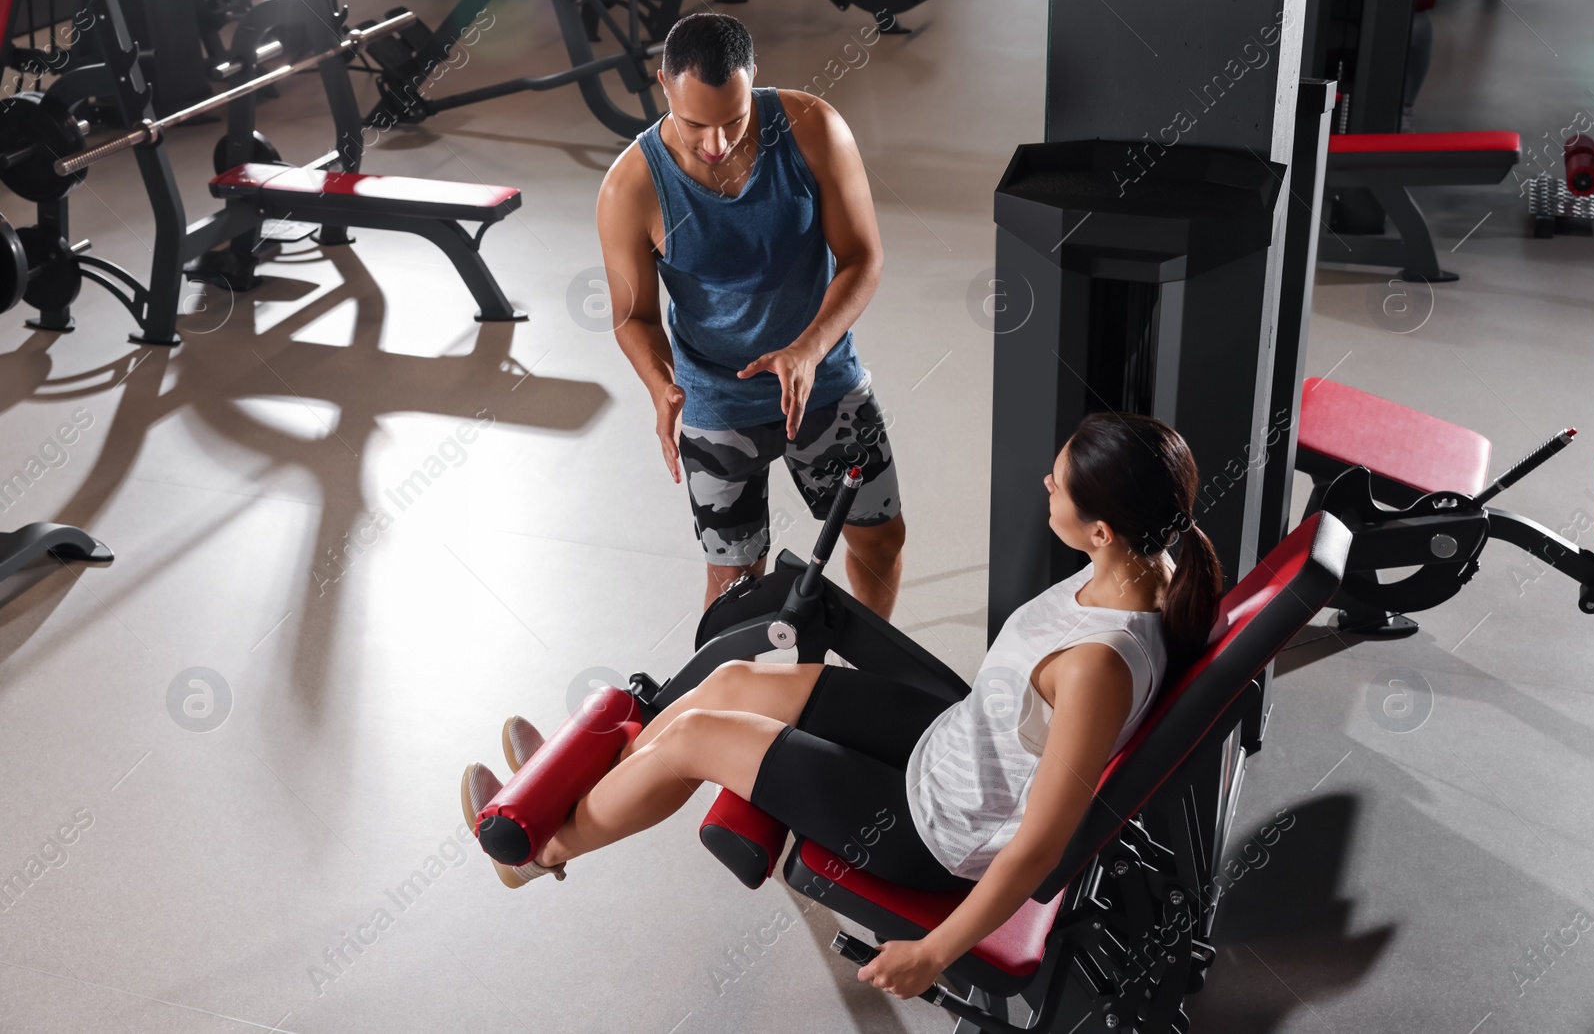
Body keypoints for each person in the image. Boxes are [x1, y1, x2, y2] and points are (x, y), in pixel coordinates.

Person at [459, 412, 1224, 1001]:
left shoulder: (1099, 667)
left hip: (931, 831)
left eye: (1059, 484)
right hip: (950, 745)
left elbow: (1038, 847)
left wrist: (936, 951)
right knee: (727, 683)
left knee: (695, 734)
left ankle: (539, 849)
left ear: (1101, 529)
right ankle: (580, 786)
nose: (1045, 486)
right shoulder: (1149, 563)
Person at [595, 12, 906, 619]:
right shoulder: (630, 187)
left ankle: (859, 687)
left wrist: (809, 348)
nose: (717, 143)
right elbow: (633, 318)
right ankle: (707, 713)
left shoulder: (813, 127)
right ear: (663, 84)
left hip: (825, 380)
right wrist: (662, 388)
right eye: (694, 125)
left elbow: (862, 257)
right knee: (736, 582)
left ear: (754, 80)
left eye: (734, 121)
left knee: (879, 538)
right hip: (717, 400)